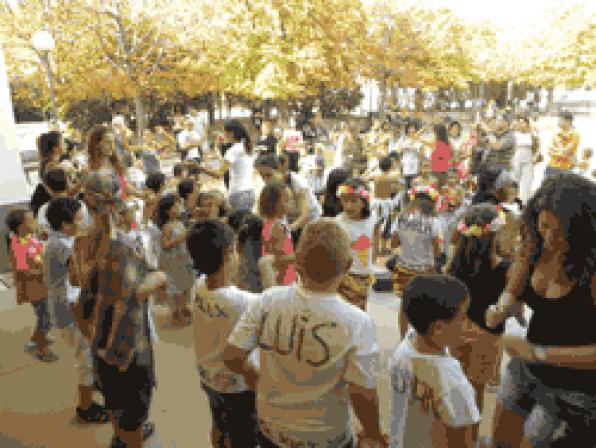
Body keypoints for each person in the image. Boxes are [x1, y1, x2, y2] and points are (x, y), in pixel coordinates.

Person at [224, 219, 387, 448]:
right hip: (326, 436)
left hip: (272, 426)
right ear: (348, 265)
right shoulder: (358, 323)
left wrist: (258, 381)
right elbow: (362, 391)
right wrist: (373, 432)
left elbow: (232, 355)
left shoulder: (267, 301)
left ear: (297, 262)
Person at [487, 172, 596, 448]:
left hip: (575, 388)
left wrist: (539, 352)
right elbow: (512, 290)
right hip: (528, 368)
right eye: (544, 226)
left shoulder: (591, 271)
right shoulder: (534, 247)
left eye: (560, 232)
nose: (549, 238)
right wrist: (501, 308)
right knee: (499, 441)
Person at [187, 219, 259, 447]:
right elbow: (272, 303)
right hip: (238, 387)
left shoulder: (198, 285)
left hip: (208, 375)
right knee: (243, 435)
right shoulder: (242, 301)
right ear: (230, 253)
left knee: (219, 422)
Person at [389, 274, 480, 448]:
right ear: (438, 327)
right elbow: (462, 436)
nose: (468, 323)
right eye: (462, 317)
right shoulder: (450, 379)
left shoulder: (406, 344)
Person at [446, 204, 509, 445]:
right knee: (476, 390)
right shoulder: (504, 268)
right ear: (494, 235)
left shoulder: (455, 263)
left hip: (458, 328)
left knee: (455, 383)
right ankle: (470, 438)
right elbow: (510, 309)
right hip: (488, 335)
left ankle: (451, 432)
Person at [45, 197, 110, 423]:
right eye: (80, 219)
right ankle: (85, 407)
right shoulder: (60, 245)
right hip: (69, 311)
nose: (84, 222)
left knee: (89, 352)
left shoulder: (62, 240)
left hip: (72, 306)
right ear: (66, 224)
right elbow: (78, 276)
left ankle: (95, 386)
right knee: (84, 358)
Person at [390, 185, 442, 338]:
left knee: (405, 306)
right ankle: (422, 339)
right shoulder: (433, 222)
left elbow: (393, 244)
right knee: (425, 307)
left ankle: (403, 337)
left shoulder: (401, 218)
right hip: (426, 269)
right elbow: (437, 250)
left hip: (404, 268)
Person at [6, 208, 52, 361]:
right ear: (20, 227)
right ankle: (41, 348)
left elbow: (37, 249)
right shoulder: (17, 245)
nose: (35, 222)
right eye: (31, 220)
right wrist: (43, 273)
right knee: (46, 318)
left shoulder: (29, 236)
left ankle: (35, 339)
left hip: (42, 285)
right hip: (34, 289)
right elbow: (23, 271)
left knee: (44, 317)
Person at [255, 154, 321, 243]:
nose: (266, 180)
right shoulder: (269, 187)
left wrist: (287, 230)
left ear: (279, 169)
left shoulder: (297, 182)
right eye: (262, 176)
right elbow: (261, 212)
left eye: (269, 175)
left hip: (311, 221)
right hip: (291, 222)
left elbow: (305, 214)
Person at [335, 179, 379, 311]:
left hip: (365, 274)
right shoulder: (338, 222)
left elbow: (376, 237)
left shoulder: (373, 219)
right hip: (344, 275)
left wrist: (373, 260)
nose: (348, 206)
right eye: (344, 200)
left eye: (353, 201)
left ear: (364, 202)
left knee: (360, 308)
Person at [157, 194, 194, 326]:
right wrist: (179, 239)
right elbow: (164, 244)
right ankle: (176, 313)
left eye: (179, 205)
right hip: (174, 261)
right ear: (168, 210)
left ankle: (183, 309)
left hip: (184, 259)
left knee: (186, 286)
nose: (179, 208)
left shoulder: (180, 223)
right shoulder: (168, 226)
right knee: (177, 287)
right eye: (175, 206)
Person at [258, 182, 296, 288]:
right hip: (282, 278)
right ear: (274, 204)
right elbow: (279, 258)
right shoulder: (278, 227)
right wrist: (299, 256)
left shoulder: (268, 223)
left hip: (277, 276)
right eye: (287, 200)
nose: (291, 203)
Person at [545, 110, 580, 180]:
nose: (558, 122)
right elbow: (549, 151)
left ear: (568, 121)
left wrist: (558, 146)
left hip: (565, 169)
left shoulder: (575, 135)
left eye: (560, 120)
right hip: (551, 166)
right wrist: (560, 151)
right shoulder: (557, 134)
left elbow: (565, 153)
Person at [512, 116, 539, 204]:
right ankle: (513, 200)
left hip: (528, 159)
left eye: (523, 122)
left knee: (527, 181)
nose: (521, 124)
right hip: (516, 158)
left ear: (527, 124)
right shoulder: (515, 134)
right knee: (514, 180)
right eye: (519, 122)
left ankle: (524, 202)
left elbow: (537, 146)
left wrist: (536, 157)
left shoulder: (533, 134)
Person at [398, 121, 424, 196]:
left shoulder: (419, 140)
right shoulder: (402, 140)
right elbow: (399, 152)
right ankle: (407, 203)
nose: (412, 130)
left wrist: (415, 150)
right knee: (406, 187)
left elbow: (422, 155)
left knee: (415, 187)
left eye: (413, 128)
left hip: (415, 165)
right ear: (407, 129)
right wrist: (405, 149)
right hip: (405, 165)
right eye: (410, 128)